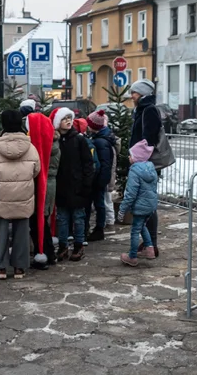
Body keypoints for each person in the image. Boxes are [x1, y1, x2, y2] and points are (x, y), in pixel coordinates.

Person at [0, 110, 40, 280]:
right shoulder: (30, 147)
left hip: (1, 194)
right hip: (24, 193)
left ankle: (1, 267)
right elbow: (36, 170)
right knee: (22, 229)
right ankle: (19, 268)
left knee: (0, 230)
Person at [52, 107, 95, 261]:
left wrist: (86, 184)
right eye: (64, 119)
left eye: (70, 118)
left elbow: (88, 164)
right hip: (61, 186)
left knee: (78, 217)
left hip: (77, 186)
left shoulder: (79, 139)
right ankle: (63, 246)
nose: (68, 121)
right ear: (58, 122)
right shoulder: (55, 141)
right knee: (62, 218)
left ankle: (78, 245)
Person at [23, 101, 59, 269]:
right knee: (42, 221)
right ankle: (48, 253)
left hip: (41, 186)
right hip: (49, 185)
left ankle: (43, 253)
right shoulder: (50, 142)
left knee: (38, 222)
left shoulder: (39, 146)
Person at [129, 80, 163, 258]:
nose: (131, 95)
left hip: (145, 164)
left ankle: (153, 244)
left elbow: (148, 139)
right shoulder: (142, 109)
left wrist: (135, 157)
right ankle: (149, 243)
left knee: (148, 205)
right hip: (142, 164)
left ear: (141, 93)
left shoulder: (149, 110)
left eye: (134, 92)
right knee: (145, 203)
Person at [118, 140, 159, 267]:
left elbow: (130, 194)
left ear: (137, 158)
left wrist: (122, 210)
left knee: (135, 230)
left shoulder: (135, 171)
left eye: (131, 155)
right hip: (150, 205)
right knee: (142, 226)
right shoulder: (151, 168)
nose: (129, 157)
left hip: (140, 206)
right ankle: (150, 248)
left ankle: (132, 256)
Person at [85, 109, 117, 242]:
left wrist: (100, 181)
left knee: (99, 204)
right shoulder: (102, 138)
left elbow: (104, 165)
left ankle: (99, 229)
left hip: (98, 180)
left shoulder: (100, 142)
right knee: (100, 204)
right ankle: (98, 228)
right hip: (99, 179)